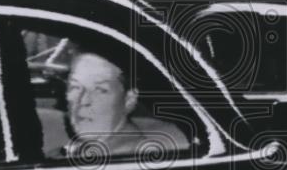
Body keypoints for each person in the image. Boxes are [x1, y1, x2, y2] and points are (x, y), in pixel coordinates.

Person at [59, 50, 189, 159]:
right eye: (75, 87)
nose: (83, 101)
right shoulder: (79, 149)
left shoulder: (133, 159)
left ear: (129, 100)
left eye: (100, 90)